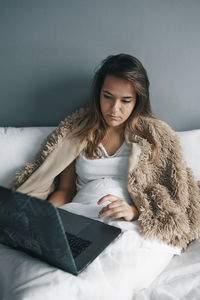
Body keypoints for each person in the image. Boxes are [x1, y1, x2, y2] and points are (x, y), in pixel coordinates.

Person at [11, 53, 200, 251]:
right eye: (107, 97)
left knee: (120, 252)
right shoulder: (77, 133)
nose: (114, 109)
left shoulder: (153, 137)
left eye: (125, 101)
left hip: (130, 222)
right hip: (81, 215)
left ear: (138, 101)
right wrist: (44, 216)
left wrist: (134, 212)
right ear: (98, 94)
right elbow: (65, 191)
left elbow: (171, 198)